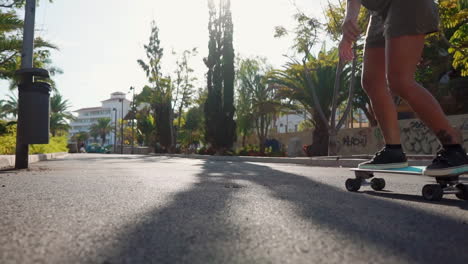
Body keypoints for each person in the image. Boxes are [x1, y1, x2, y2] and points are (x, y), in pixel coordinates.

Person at [339, 0, 468, 176]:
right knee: (371, 81)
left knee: (400, 80)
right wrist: (349, 20)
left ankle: (453, 145)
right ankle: (393, 150)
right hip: (380, 11)